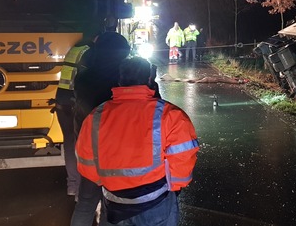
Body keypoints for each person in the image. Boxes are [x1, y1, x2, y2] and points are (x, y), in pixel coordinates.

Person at [76, 56, 199, 225]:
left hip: (114, 202)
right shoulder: (171, 115)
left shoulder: (96, 116)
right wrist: (174, 186)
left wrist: (108, 182)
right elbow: (183, 159)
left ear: (120, 81)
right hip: (156, 202)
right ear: (149, 79)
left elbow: (86, 160)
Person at [70, 31, 131, 226]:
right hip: (115, 150)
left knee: (86, 201)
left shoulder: (84, 77)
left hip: (88, 147)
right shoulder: (122, 79)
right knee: (110, 202)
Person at [51, 34, 96, 197]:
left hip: (62, 101)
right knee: (85, 143)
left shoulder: (75, 49)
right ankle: (84, 188)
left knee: (70, 143)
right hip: (75, 101)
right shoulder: (89, 52)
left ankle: (72, 186)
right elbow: (88, 80)